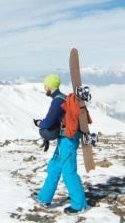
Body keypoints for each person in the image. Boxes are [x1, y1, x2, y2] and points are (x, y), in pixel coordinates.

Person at [34, 73, 89, 214]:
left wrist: (39, 123)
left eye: (45, 85)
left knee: (68, 171)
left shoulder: (57, 101)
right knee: (54, 167)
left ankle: (79, 205)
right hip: (64, 139)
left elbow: (48, 121)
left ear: (49, 86)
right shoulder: (62, 98)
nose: (44, 88)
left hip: (68, 140)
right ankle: (44, 198)